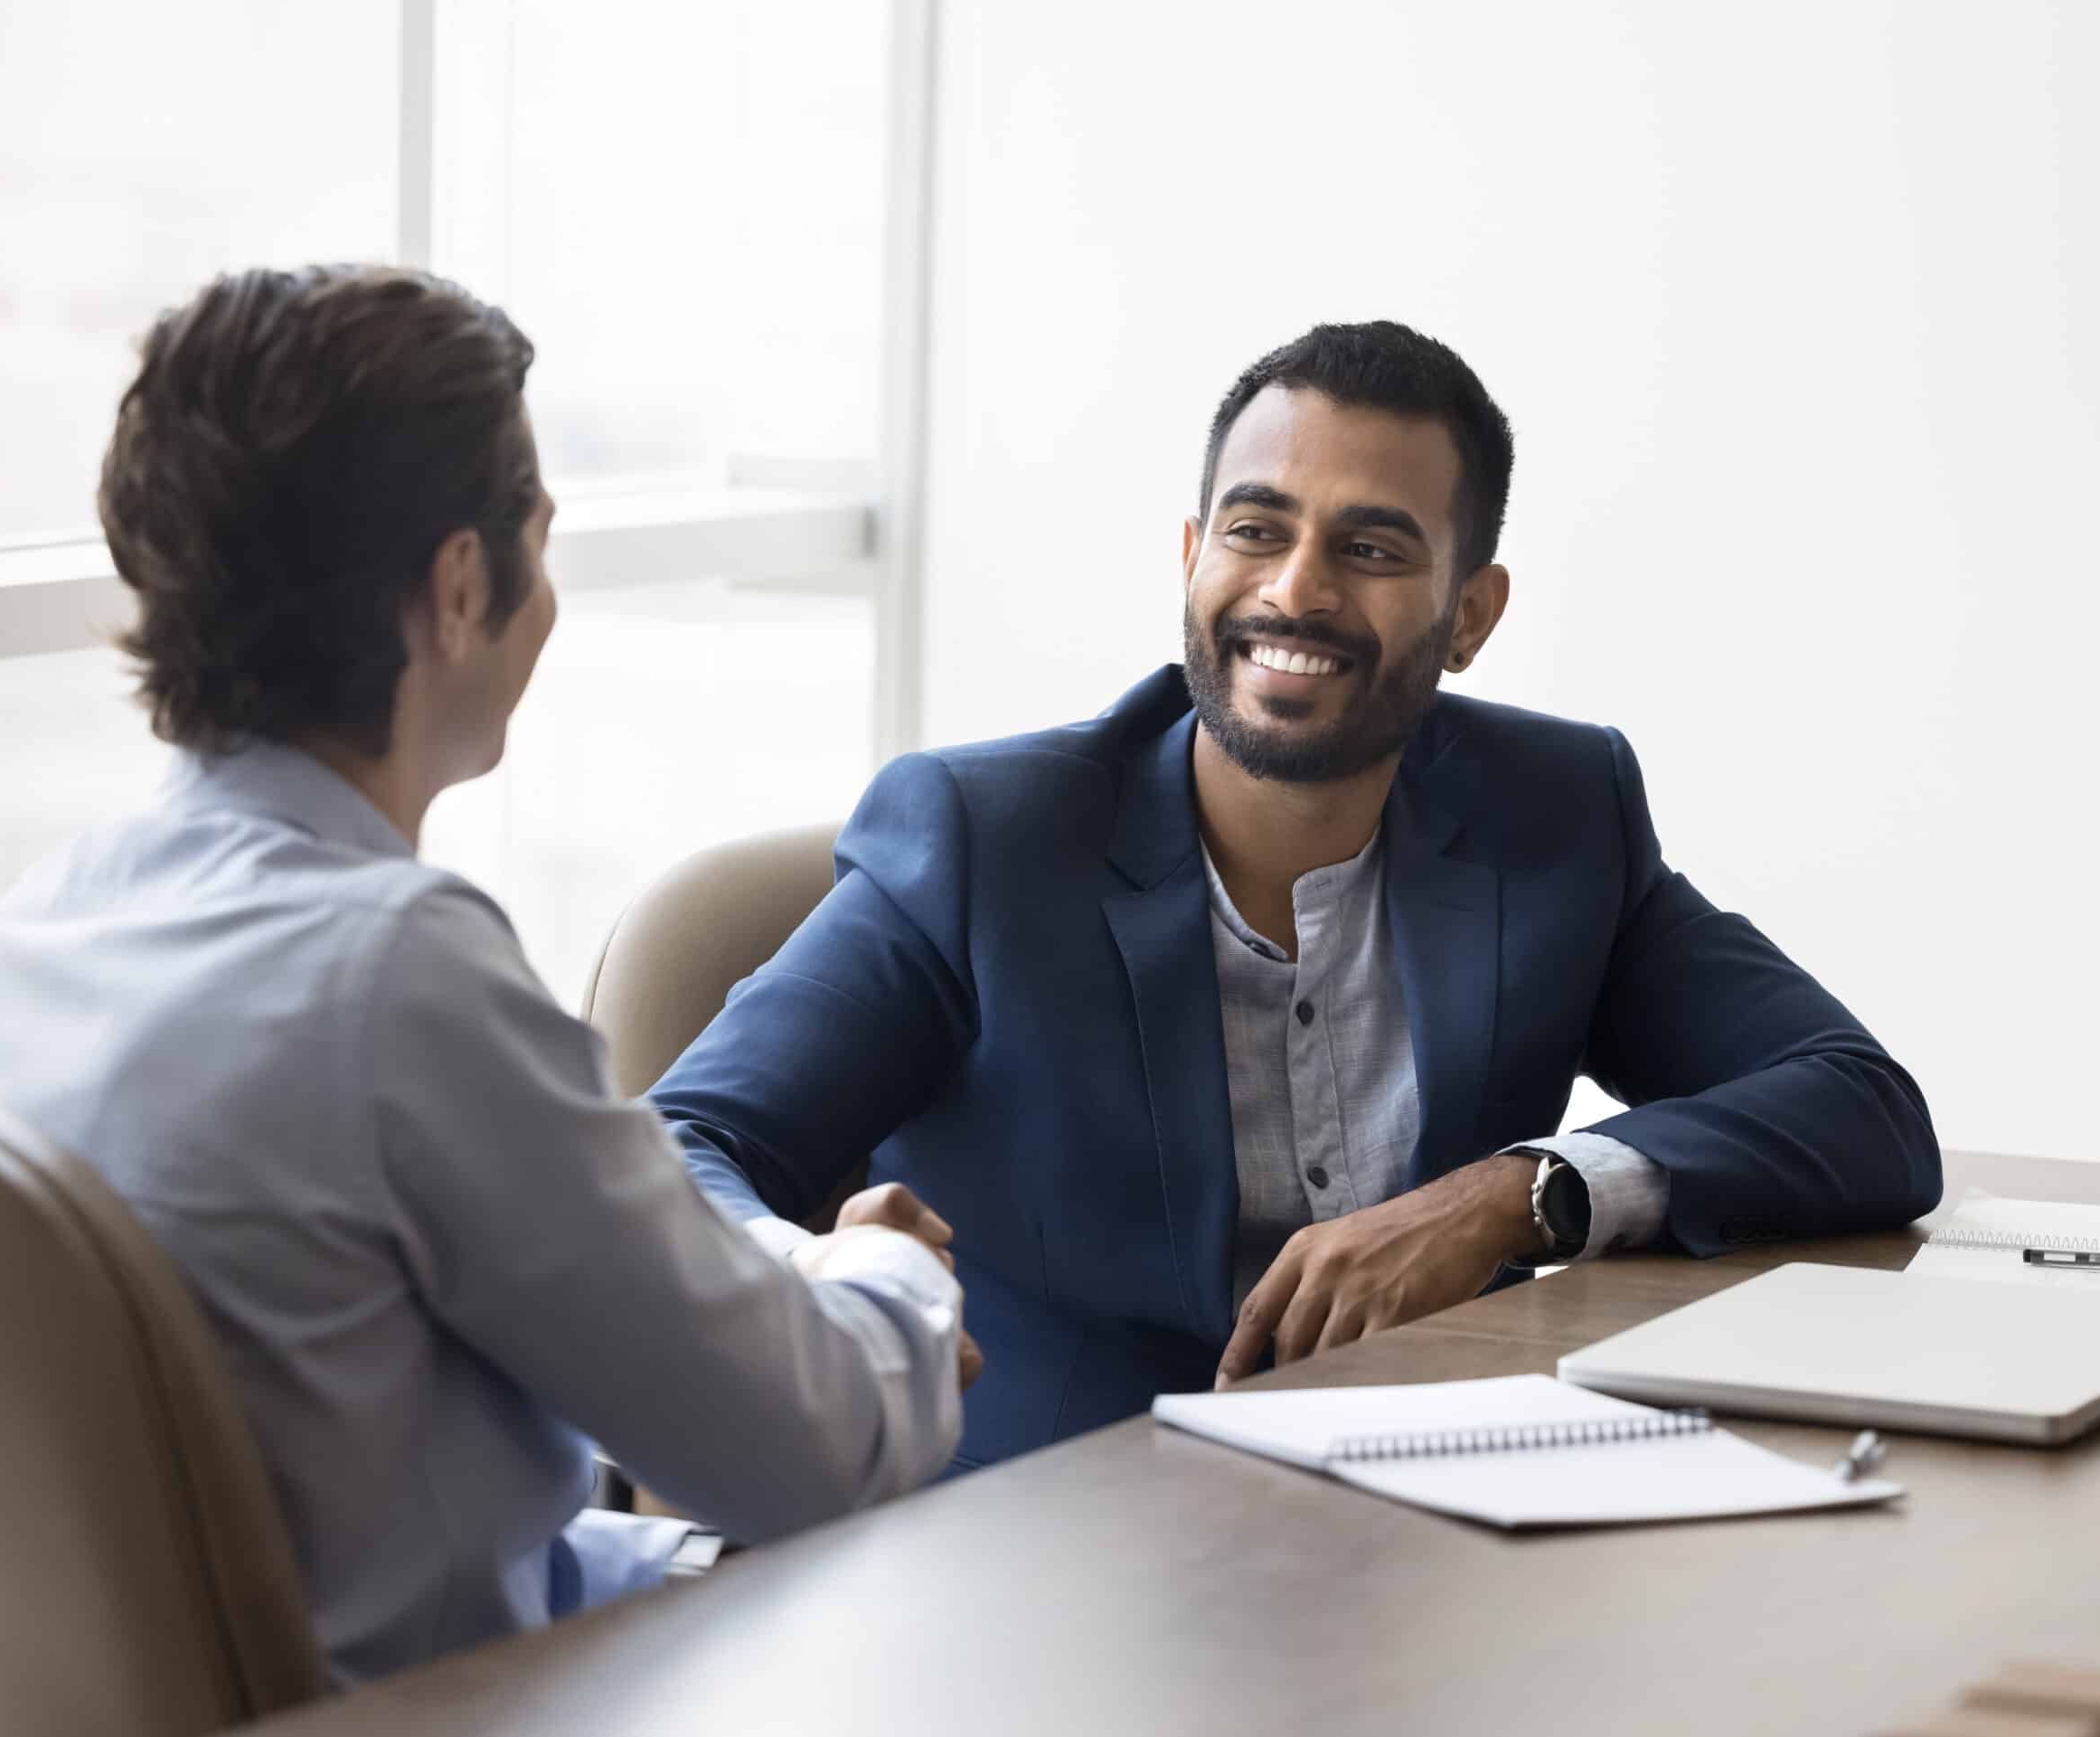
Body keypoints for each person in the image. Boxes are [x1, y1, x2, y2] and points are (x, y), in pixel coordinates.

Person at [0, 265, 972, 1684]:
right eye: (540, 526)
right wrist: (888, 1277)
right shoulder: (394, 981)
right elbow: (818, 1454)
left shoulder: (30, 937)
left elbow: (396, 1507)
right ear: (464, 584)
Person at [655, 319, 1940, 1473]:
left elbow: (1861, 1105)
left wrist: (1515, 1191)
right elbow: (675, 1147)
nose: (1297, 590)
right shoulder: (981, 843)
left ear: (1470, 614)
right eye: (1255, 529)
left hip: (1421, 1531)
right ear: (1191, 555)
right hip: (1037, 1551)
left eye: (1371, 546)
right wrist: (821, 1269)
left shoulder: (1553, 814)